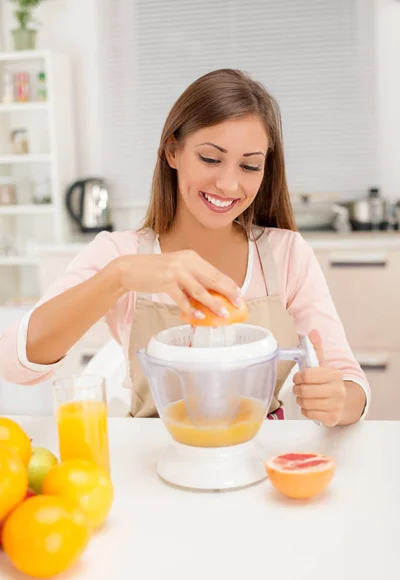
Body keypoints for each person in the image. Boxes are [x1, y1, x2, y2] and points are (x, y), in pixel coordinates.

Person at [0, 68, 370, 426]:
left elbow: (350, 381)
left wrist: (340, 401)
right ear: (172, 152)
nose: (228, 184)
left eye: (250, 166)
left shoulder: (288, 255)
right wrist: (120, 276)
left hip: (261, 457)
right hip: (154, 456)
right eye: (210, 158)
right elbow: (15, 364)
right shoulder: (118, 254)